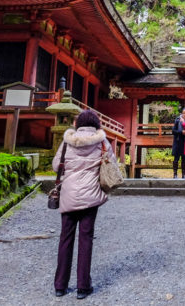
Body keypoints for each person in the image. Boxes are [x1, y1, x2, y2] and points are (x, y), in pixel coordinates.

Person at [52, 109, 118, 299]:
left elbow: (57, 166)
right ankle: (83, 286)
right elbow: (111, 165)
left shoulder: (67, 141)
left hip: (69, 194)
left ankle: (60, 286)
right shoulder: (102, 142)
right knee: (86, 239)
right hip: (90, 195)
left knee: (65, 237)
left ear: (78, 124)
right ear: (96, 124)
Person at [172, 108, 185, 178]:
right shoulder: (178, 120)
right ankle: (175, 174)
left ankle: (183, 174)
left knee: (184, 159)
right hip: (177, 141)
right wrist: (181, 132)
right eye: (184, 113)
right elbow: (173, 131)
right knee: (176, 158)